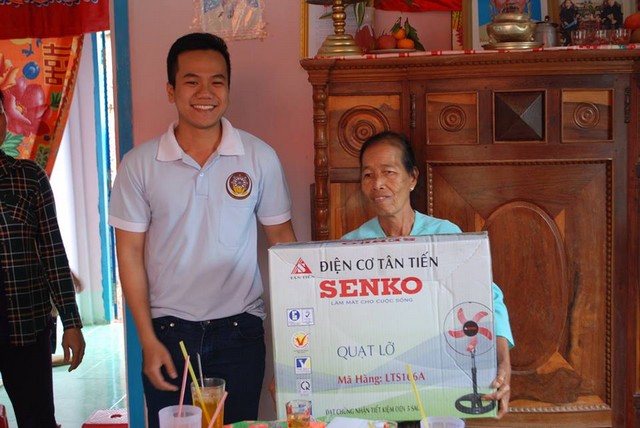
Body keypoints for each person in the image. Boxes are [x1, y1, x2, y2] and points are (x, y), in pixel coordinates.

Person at [109, 32, 297, 428]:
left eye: (217, 81)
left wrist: (292, 343)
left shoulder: (259, 157)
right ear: (171, 90)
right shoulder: (138, 164)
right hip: (168, 333)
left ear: (228, 89)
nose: (205, 92)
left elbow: (282, 245)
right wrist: (147, 339)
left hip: (241, 330)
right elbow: (128, 254)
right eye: (191, 81)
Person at [341, 131, 514, 418]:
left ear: (413, 178)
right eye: (368, 175)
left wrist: (503, 364)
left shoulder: (445, 236)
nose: (377, 184)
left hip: (438, 386)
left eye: (388, 172)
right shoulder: (349, 248)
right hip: (378, 388)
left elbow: (488, 298)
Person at [0, 89, 85, 427]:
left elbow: (53, 253)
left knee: (37, 420)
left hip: (26, 326)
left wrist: (72, 322)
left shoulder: (29, 177)